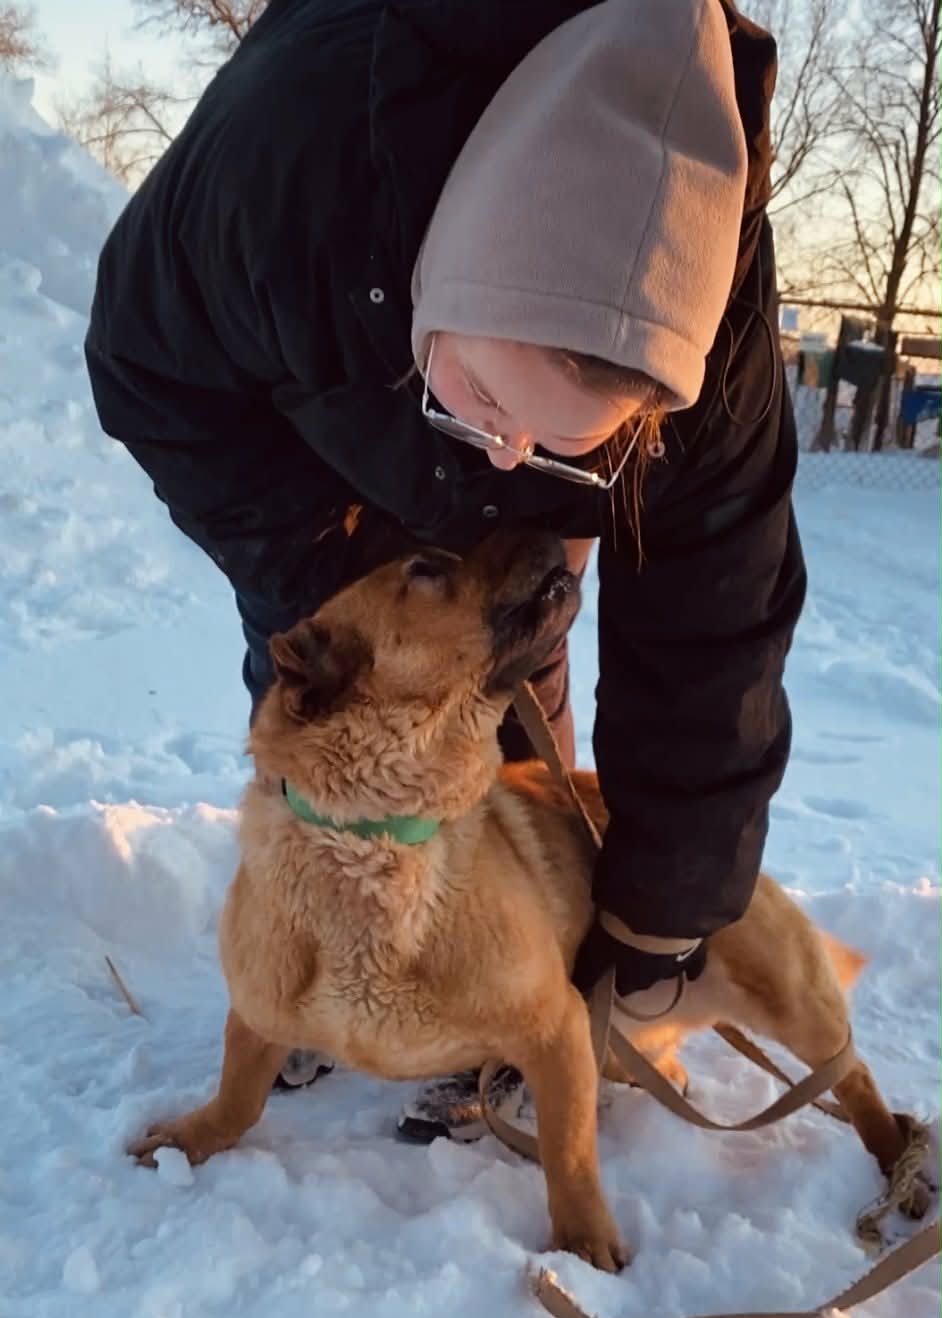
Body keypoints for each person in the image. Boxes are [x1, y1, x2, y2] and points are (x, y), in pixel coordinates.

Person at [85, 0, 806, 1135]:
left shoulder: (718, 347)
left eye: (563, 440)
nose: (508, 453)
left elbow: (714, 629)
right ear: (441, 276)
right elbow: (148, 373)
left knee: (507, 704)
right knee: (347, 699)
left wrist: (658, 923)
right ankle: (315, 965)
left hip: (481, 398)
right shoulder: (283, 171)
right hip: (329, 426)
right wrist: (339, 590)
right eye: (486, 401)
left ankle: (482, 978)